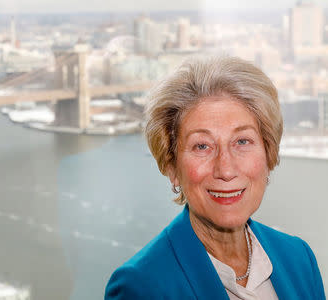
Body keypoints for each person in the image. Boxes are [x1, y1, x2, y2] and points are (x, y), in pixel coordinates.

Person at [104, 56, 326, 299]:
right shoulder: (140, 287)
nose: (226, 169)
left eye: (242, 141)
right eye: (202, 146)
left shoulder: (298, 258)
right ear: (172, 167)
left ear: (268, 153)